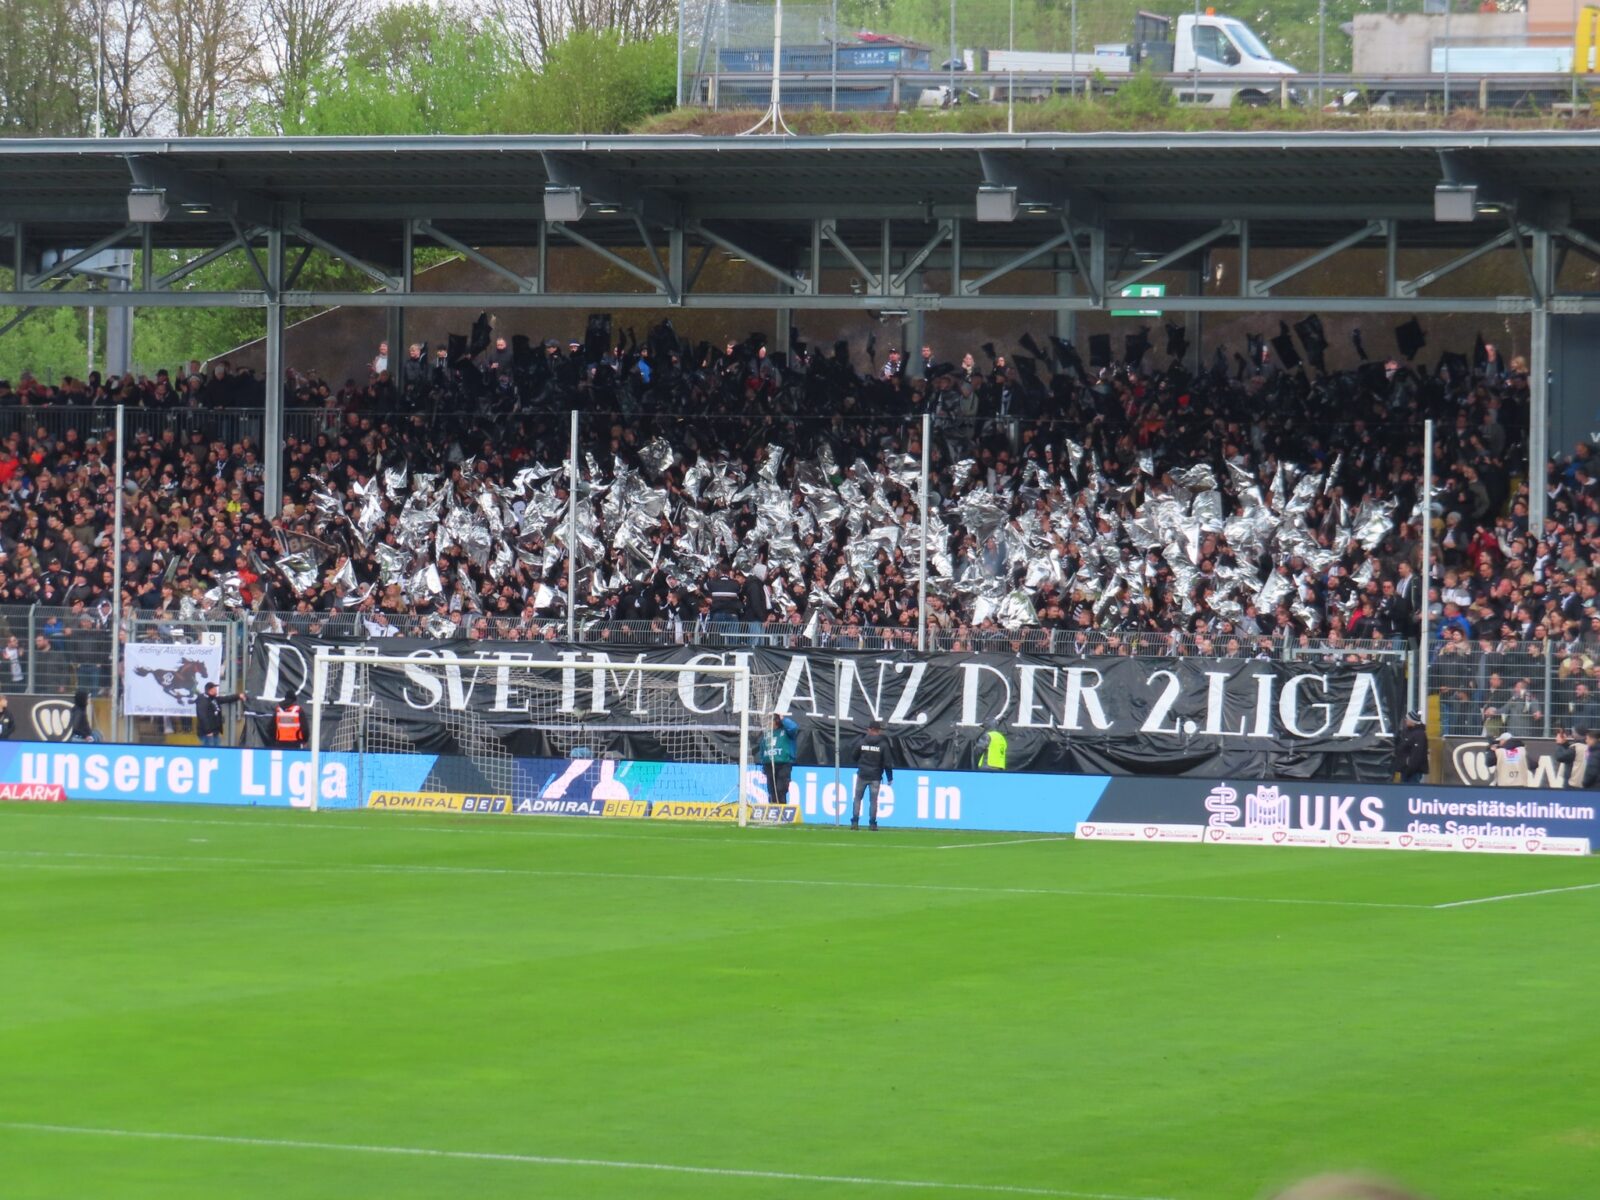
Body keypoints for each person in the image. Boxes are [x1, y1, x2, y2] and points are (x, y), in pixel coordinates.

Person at [851, 719, 892, 830]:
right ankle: (872, 824)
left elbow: (854, 755)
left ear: (869, 729)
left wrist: (861, 763)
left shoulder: (862, 742)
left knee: (858, 798)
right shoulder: (883, 744)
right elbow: (888, 762)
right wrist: (890, 777)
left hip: (862, 774)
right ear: (878, 731)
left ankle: (855, 822)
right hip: (875, 776)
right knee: (873, 800)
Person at [758, 712, 798, 806]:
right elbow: (762, 748)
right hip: (769, 764)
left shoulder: (786, 731)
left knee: (781, 789)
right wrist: (763, 762)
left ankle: (781, 811)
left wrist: (783, 718)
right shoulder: (767, 733)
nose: (768, 723)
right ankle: (773, 810)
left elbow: (793, 727)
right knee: (771, 790)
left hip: (783, 764)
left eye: (770, 721)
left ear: (776, 721)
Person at [194, 680, 244, 748]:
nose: (216, 690)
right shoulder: (203, 699)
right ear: (210, 690)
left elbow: (226, 699)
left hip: (215, 732)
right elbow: (202, 716)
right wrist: (208, 731)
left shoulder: (213, 699)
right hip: (207, 734)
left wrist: (238, 696)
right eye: (215, 688)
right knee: (208, 752)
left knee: (216, 751)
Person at [1394, 710, 1428, 784]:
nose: (1405, 720)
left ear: (1412, 721)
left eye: (1407, 718)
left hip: (1412, 772)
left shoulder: (1419, 735)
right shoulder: (1406, 731)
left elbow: (1417, 754)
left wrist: (1409, 769)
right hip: (1405, 769)